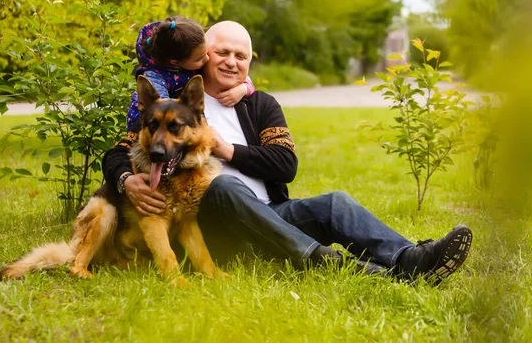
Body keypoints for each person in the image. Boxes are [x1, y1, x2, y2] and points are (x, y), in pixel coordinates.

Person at [103, 21, 473, 284]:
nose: (232, 61)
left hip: (271, 213)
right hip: (213, 223)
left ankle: (412, 260)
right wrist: (125, 180)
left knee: (335, 203)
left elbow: (286, 163)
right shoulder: (176, 103)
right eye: (223, 52)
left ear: (249, 63)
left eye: (241, 56)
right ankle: (325, 263)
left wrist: (226, 149)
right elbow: (123, 150)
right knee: (225, 187)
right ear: (202, 57)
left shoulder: (261, 104)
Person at [128, 15, 254, 132]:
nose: (207, 59)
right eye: (199, 59)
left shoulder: (190, 61)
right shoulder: (156, 80)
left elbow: (239, 75)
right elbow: (159, 115)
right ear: (176, 62)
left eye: (207, 53)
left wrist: (244, 88)